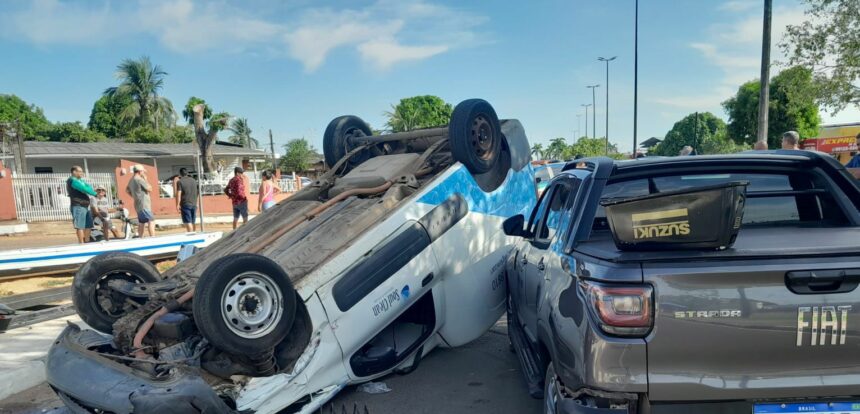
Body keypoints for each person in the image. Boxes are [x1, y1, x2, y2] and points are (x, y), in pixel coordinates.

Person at [67, 166, 97, 244]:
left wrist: (89, 190)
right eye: (80, 171)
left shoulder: (80, 181)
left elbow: (88, 187)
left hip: (85, 206)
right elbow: (84, 189)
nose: (82, 173)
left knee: (89, 225)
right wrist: (94, 193)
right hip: (78, 205)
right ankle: (81, 243)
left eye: (82, 171)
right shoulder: (72, 180)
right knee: (80, 226)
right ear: (74, 172)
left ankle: (87, 242)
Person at [126, 164, 155, 238]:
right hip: (144, 204)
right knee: (151, 221)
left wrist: (135, 196)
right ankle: (153, 238)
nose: (143, 173)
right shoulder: (139, 179)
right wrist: (146, 179)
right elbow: (150, 189)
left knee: (142, 222)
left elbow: (127, 190)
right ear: (139, 171)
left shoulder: (131, 180)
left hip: (138, 204)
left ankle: (140, 238)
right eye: (143, 171)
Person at [175, 168, 198, 232]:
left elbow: (179, 194)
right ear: (187, 173)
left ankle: (191, 235)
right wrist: (197, 203)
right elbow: (197, 192)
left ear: (180, 174)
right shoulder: (193, 180)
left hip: (185, 203)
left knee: (188, 221)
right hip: (194, 203)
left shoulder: (180, 182)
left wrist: (177, 204)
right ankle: (194, 234)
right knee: (193, 221)